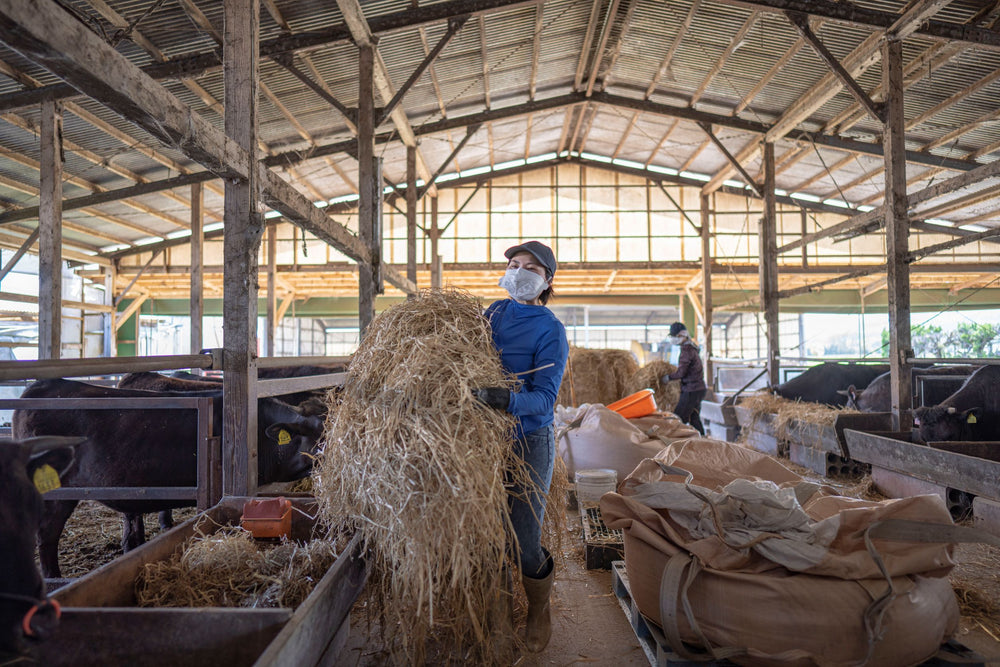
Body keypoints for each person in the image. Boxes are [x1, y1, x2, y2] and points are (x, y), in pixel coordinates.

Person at [473, 240, 569, 653]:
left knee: (522, 539)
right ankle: (496, 614)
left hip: (529, 437)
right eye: (515, 264)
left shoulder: (551, 329)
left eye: (532, 267)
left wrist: (505, 400)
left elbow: (545, 399)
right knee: (490, 533)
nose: (521, 271)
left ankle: (538, 608)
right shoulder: (491, 313)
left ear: (546, 280)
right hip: (483, 440)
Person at [662, 321, 707, 435]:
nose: (673, 339)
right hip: (699, 389)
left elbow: (681, 372)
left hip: (691, 390)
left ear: (682, 336)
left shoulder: (686, 351)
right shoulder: (692, 348)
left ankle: (672, 441)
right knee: (694, 417)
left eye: (675, 336)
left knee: (678, 417)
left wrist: (668, 377)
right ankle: (702, 438)